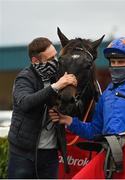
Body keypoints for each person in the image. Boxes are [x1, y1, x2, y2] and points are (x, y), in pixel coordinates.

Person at [49, 36, 125, 179]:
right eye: (113, 62)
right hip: (108, 156)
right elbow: (95, 131)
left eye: (121, 62)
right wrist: (69, 121)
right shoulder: (106, 95)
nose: (116, 66)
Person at [7, 37, 77, 179]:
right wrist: (56, 86)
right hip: (23, 153)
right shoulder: (25, 78)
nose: (56, 61)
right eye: (51, 58)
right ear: (35, 61)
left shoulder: (57, 75)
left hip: (50, 154)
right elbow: (25, 103)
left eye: (56, 55)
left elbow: (72, 106)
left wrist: (61, 112)